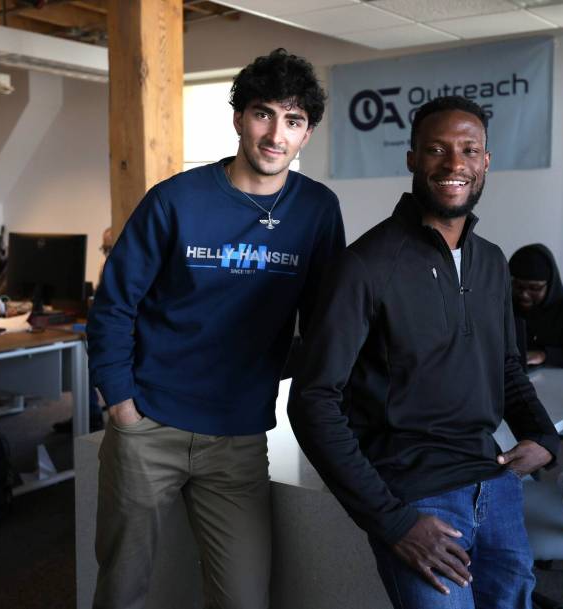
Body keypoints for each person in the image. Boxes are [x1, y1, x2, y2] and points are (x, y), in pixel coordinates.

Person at [87, 48, 345, 609]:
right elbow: (112, 305)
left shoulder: (318, 211)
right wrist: (122, 408)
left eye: (293, 120)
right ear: (238, 119)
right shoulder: (176, 200)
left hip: (238, 437)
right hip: (148, 427)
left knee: (244, 598)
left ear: (307, 134)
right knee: (123, 588)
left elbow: (331, 319)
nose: (276, 134)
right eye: (264, 114)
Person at [289, 96, 558, 609]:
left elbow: (505, 365)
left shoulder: (491, 262)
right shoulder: (365, 266)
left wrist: (542, 434)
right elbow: (313, 400)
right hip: (417, 499)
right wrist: (392, 521)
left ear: (485, 162)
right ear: (412, 159)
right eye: (437, 150)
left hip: (494, 482)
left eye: (468, 150)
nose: (454, 164)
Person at [52, 226, 115, 434]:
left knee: (85, 353)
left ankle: (92, 413)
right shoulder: (105, 265)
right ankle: (89, 412)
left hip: (125, 330)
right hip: (105, 323)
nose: (107, 254)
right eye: (104, 249)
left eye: (110, 249)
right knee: (81, 352)